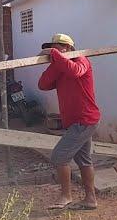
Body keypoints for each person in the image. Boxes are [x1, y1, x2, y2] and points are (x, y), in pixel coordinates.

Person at [38, 33, 101, 210]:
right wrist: (54, 63)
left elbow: (75, 71)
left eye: (55, 48)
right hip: (75, 122)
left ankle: (66, 196)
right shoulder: (60, 67)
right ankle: (90, 199)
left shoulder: (81, 60)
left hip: (85, 119)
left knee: (59, 156)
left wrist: (57, 57)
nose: (52, 52)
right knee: (84, 161)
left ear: (67, 48)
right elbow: (42, 84)